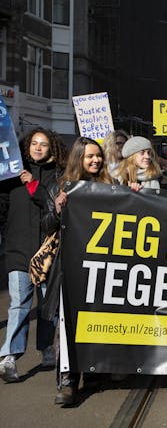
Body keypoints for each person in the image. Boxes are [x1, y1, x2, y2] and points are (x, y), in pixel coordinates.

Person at [41, 137, 113, 404]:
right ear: (78, 159)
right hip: (69, 269)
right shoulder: (59, 187)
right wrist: (58, 210)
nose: (96, 160)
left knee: (96, 322)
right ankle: (67, 381)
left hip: (101, 269)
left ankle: (94, 373)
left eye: (99, 156)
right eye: (89, 156)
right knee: (67, 324)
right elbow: (46, 226)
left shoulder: (110, 186)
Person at [0, 127, 67, 382]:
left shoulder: (58, 177)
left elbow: (53, 206)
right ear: (26, 146)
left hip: (48, 251)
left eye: (44, 144)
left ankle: (46, 347)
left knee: (47, 303)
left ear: (52, 149)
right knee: (19, 303)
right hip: (18, 249)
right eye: (34, 144)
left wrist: (33, 184)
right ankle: (9, 356)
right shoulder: (11, 175)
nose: (38, 148)